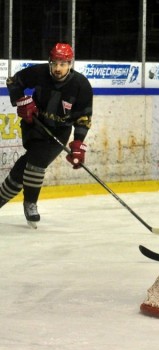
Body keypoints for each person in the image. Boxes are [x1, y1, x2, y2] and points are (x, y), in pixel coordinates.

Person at [0, 43, 93, 227]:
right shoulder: (39, 73)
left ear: (70, 64)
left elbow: (83, 118)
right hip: (34, 125)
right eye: (55, 63)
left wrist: (78, 144)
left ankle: (29, 202)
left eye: (63, 64)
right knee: (29, 163)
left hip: (59, 131)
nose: (58, 68)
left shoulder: (81, 85)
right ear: (50, 62)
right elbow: (13, 82)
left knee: (36, 161)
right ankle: (27, 203)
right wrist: (21, 101)